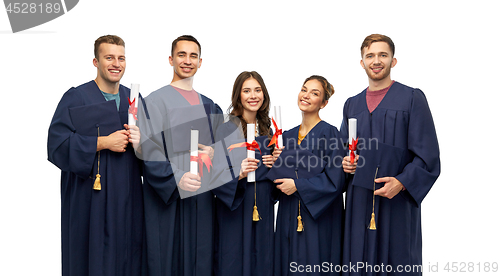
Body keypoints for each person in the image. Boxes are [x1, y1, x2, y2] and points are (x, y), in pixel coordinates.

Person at [340, 34, 440, 275]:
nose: (376, 61)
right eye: (370, 56)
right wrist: (344, 163)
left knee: (398, 260)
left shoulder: (412, 98)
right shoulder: (351, 104)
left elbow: (428, 155)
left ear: (393, 61)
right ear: (361, 62)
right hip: (359, 201)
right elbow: (342, 150)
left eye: (383, 55)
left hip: (397, 203)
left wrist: (402, 183)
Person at [47, 35, 143, 276]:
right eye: (108, 57)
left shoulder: (134, 100)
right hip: (88, 201)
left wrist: (143, 143)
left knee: (128, 257)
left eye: (121, 58)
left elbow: (152, 152)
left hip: (127, 199)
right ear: (95, 61)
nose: (116, 63)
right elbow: (56, 145)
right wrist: (103, 142)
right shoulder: (76, 97)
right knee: (88, 259)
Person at [139, 35, 223, 276]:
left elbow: (221, 149)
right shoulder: (154, 101)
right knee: (167, 259)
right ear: (171, 59)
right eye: (182, 55)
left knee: (202, 258)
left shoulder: (209, 106)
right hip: (167, 199)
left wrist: (217, 152)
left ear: (200, 62)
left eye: (193, 56)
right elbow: (147, 149)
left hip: (203, 197)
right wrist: (176, 177)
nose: (187, 61)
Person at [268, 75, 345, 275]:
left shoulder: (331, 134)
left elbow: (336, 180)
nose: (306, 95)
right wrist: (273, 163)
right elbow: (276, 182)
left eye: (315, 93)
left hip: (318, 218)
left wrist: (298, 186)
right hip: (288, 213)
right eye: (304, 90)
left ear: (324, 103)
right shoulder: (285, 137)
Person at [211, 71, 277, 276]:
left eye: (257, 90)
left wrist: (277, 164)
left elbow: (275, 176)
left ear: (264, 94)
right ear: (238, 95)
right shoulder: (226, 129)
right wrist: (238, 174)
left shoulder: (269, 130)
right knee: (233, 259)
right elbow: (214, 176)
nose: (253, 95)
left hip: (263, 205)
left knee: (262, 258)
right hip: (236, 204)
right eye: (246, 91)